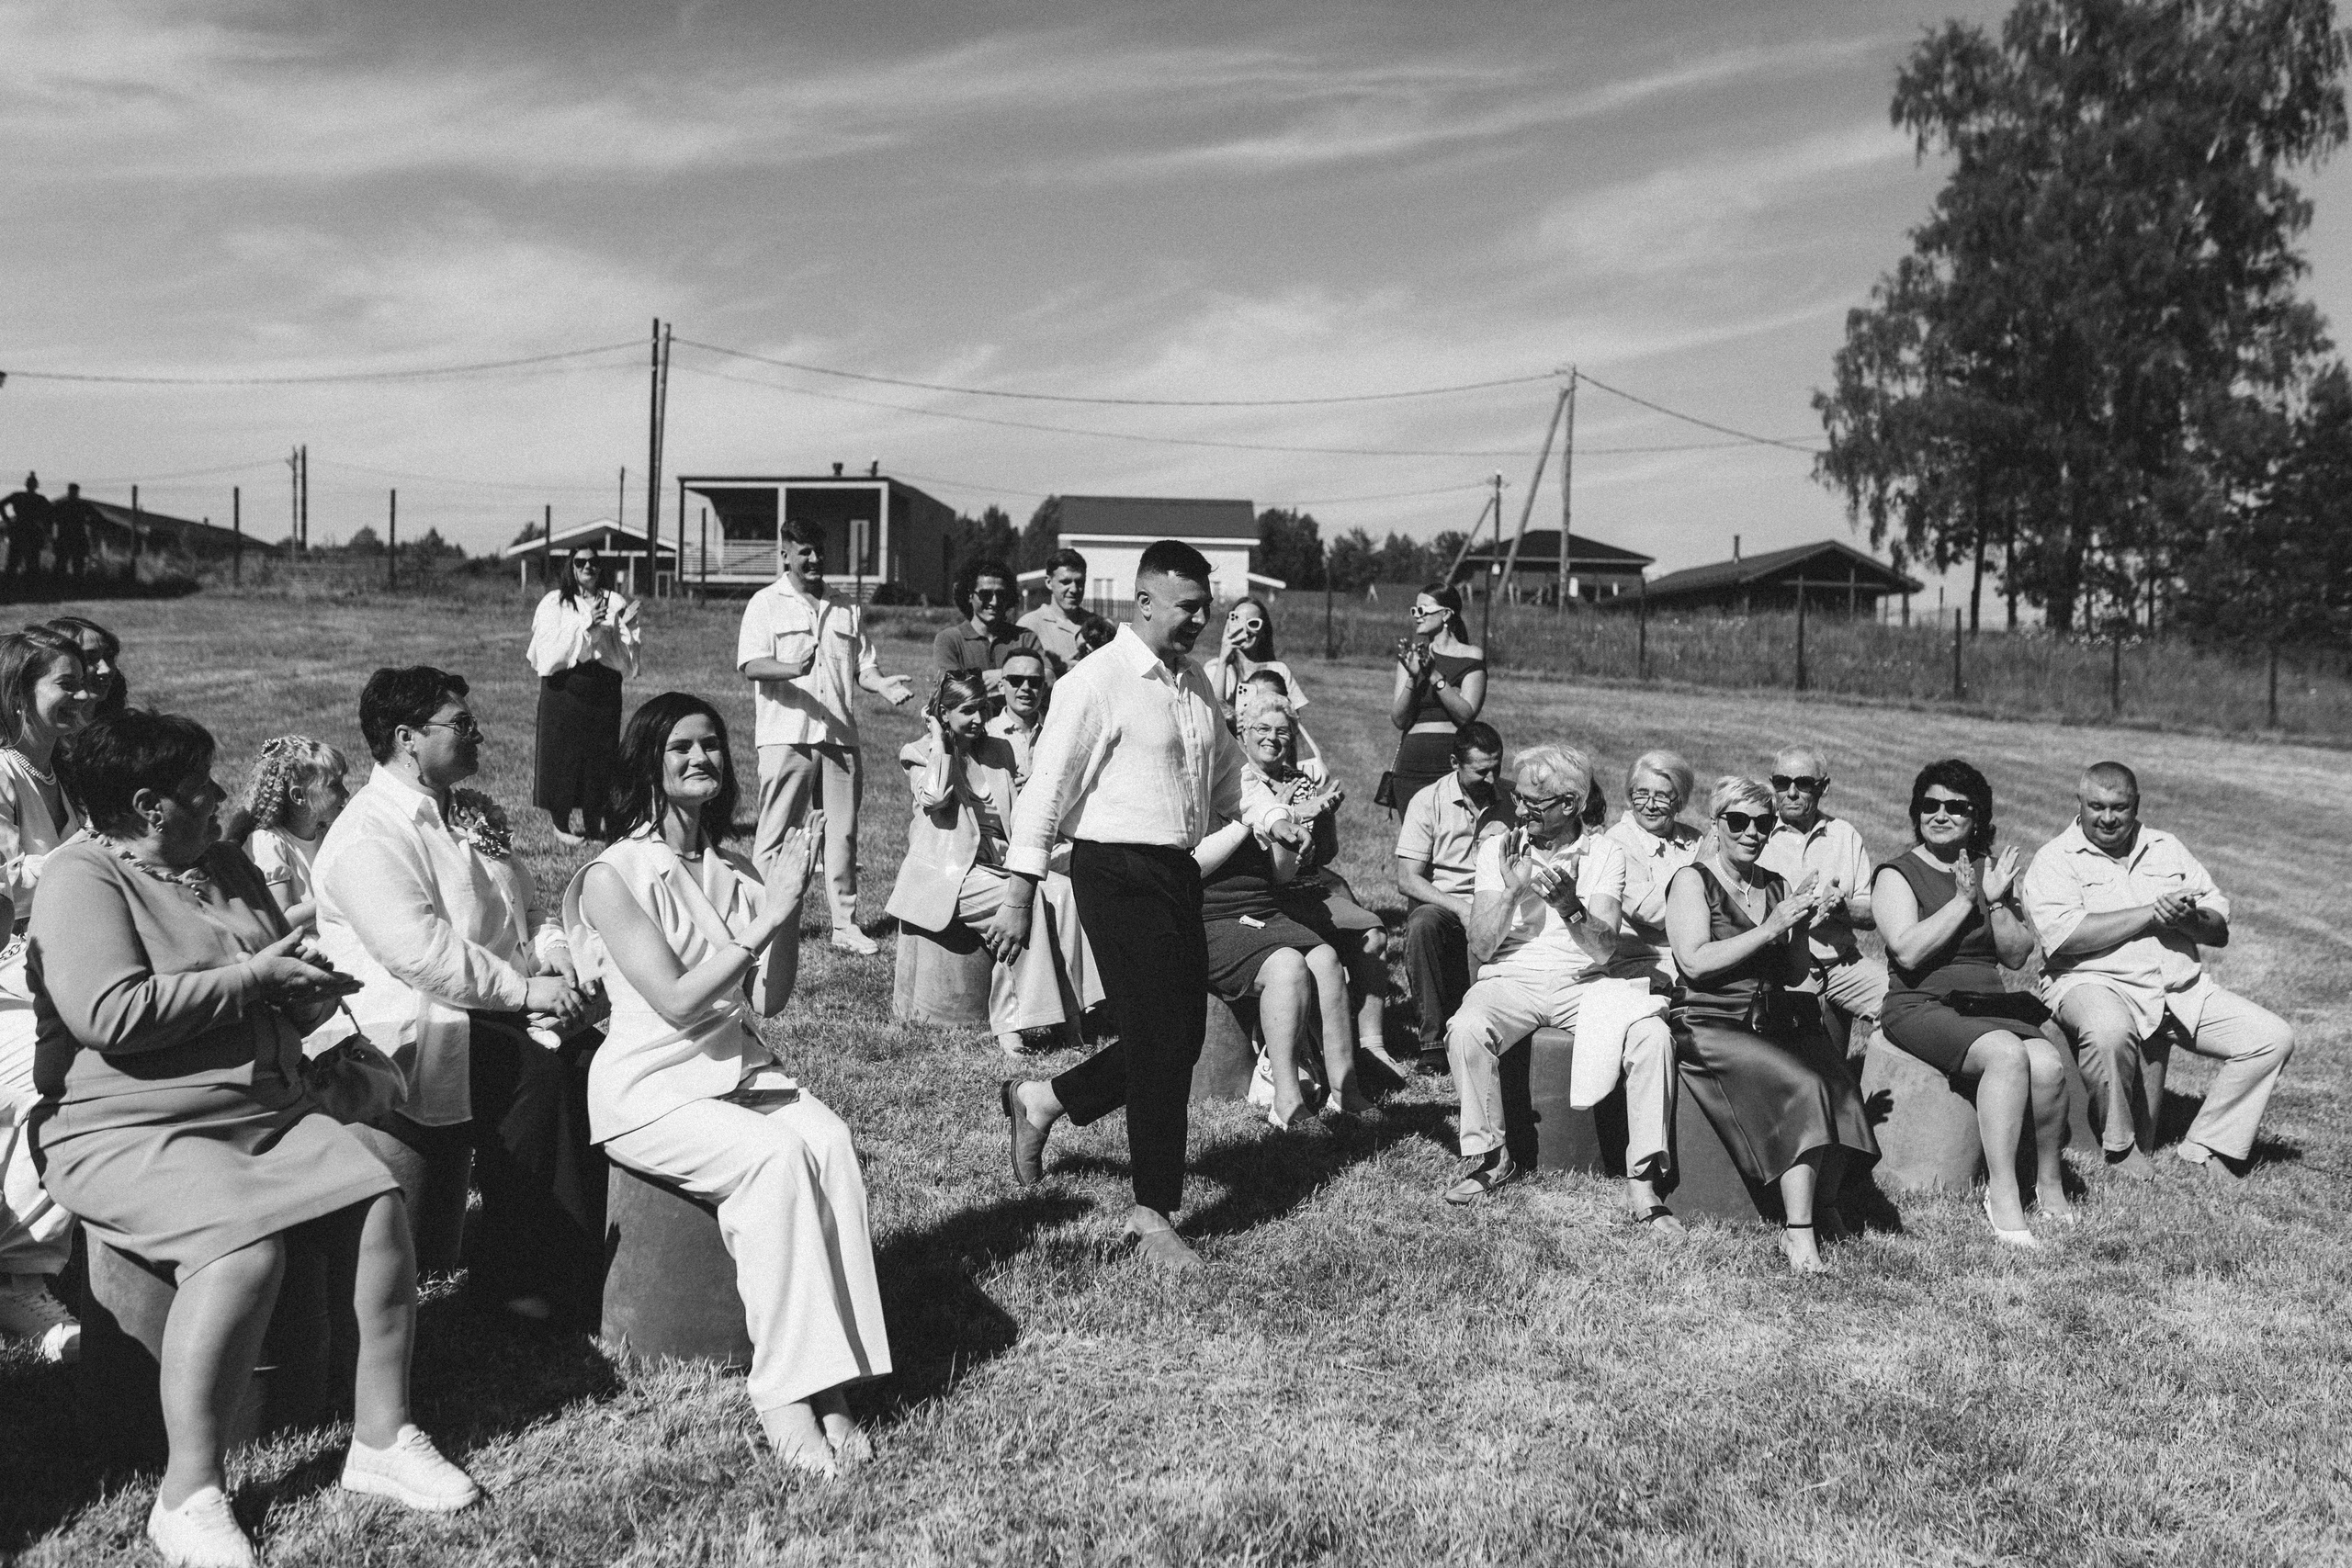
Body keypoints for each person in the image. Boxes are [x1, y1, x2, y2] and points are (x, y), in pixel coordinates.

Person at [32, 710, 479, 1567]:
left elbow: (274, 958)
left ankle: (380, 1439)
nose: (220, 796)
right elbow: (109, 1013)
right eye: (200, 784)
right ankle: (188, 1494)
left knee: (377, 1205)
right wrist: (253, 981)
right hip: (131, 1121)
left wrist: (305, 992)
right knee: (244, 1254)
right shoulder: (80, 878)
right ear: (147, 804)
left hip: (257, 1107)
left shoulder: (223, 861)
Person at [568, 692, 888, 1475]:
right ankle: (784, 1394)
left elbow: (770, 997)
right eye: (681, 747)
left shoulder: (731, 866)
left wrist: (788, 905)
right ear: (649, 761)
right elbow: (676, 998)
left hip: (736, 1070)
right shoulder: (615, 874)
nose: (701, 758)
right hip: (649, 1088)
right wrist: (763, 916)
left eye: (711, 745)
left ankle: (836, 1383)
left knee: (831, 1143)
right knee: (773, 1162)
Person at [991, 540, 1309, 1270]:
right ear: (1143, 603)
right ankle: (1151, 1211)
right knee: (1161, 1037)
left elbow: (1229, 778)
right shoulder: (1095, 681)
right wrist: (1018, 888)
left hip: (1177, 869)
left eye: (1207, 605)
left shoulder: (1195, 682)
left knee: (1175, 1037)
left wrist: (1271, 818)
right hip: (1113, 868)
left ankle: (1041, 1100)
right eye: (1188, 606)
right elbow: (1046, 790)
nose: (1203, 618)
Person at [312, 666, 605, 1320]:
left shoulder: (465, 814)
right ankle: (519, 1284)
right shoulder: (369, 833)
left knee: (595, 1060)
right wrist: (530, 991)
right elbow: (420, 954)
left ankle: (585, 1256)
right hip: (415, 1017)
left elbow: (528, 908)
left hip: (502, 1001)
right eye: (462, 725)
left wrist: (558, 963)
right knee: (534, 1075)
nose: (479, 736)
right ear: (407, 737)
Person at [2024, 761, 2292, 1182]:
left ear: (2136, 805)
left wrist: (2188, 920)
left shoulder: (2167, 847)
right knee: (2108, 1031)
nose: (2109, 818)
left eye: (2120, 807)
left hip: (2179, 988)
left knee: (2272, 1038)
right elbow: (2064, 938)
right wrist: (2151, 914)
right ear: (2079, 804)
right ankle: (2120, 1146)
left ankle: (2207, 1145)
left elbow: (2218, 930)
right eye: (2097, 806)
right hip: (2093, 981)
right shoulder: (2056, 859)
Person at [1442, 745, 1677, 1224]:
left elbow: (1605, 951)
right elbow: (1483, 946)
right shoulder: (1498, 849)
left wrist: (1571, 907)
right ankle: (1491, 1156)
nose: (1519, 808)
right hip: (1512, 977)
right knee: (1465, 1026)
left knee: (1652, 1036)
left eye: (1533, 801)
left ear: (1570, 805)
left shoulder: (1604, 853)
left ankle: (1644, 1179)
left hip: (1584, 981)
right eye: (1519, 796)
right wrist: (1511, 889)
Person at [1664, 777, 1880, 1274]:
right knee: (1804, 1087)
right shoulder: (1692, 881)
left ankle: (1825, 1207)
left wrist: (1801, 926)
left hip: (1768, 1018)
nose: (1752, 832)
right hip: (1708, 1021)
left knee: (1840, 1084)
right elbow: (1694, 963)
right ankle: (1797, 1233)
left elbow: (1794, 973)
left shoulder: (1776, 885)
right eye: (1738, 822)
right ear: (1716, 825)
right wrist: (1770, 927)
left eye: (1763, 824)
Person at [1873, 759, 2075, 1246]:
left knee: (2046, 1064)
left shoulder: (1990, 872)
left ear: (1977, 818)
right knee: (2006, 1054)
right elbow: (1907, 949)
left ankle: (2047, 1181)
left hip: (1985, 1005)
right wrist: (1965, 901)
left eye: (1956, 807)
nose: (1940, 815)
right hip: (1921, 1003)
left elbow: (2017, 953)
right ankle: (2002, 1193)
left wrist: (1999, 900)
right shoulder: (1897, 874)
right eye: (1930, 805)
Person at [736, 521, 915, 956]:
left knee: (843, 835)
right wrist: (792, 670)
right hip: (787, 735)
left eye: (820, 552)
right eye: (805, 553)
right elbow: (750, 664)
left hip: (839, 736)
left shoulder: (847, 607)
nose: (814, 561)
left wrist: (882, 684)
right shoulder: (765, 603)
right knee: (776, 835)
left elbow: (862, 666)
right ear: (785, 556)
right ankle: (762, 923)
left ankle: (845, 925)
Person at [888, 671, 1086, 1056]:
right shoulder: (918, 752)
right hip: (950, 874)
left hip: (1000, 863)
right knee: (1023, 902)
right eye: (967, 711)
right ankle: (1011, 1026)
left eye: (982, 708)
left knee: (1064, 894)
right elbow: (934, 798)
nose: (978, 719)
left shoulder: (999, 751)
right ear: (942, 714)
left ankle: (1075, 1017)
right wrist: (940, 744)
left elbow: (1022, 806)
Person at [1200, 697, 1375, 1124]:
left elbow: (1279, 877)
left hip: (1261, 906)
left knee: (1328, 960)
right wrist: (1275, 815)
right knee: (1288, 967)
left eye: (1281, 732)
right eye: (1260, 729)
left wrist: (1293, 834)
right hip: (1212, 913)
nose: (1271, 739)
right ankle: (1287, 1099)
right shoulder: (1211, 784)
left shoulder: (1281, 788)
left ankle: (1344, 1090)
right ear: (1237, 736)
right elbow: (1195, 865)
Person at [0, 628, 92, 1362]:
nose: (84, 693)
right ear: (19, 692)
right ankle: (17, 1270)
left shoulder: (64, 777)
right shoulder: (3, 774)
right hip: (8, 974)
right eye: (67, 681)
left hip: (61, 959)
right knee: (54, 1079)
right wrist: (92, 854)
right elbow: (6, 883)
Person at [1394, 723, 1510, 1070]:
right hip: (1447, 904)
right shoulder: (1428, 801)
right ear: (1454, 763)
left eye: (1497, 769)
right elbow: (1408, 879)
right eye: (1481, 772)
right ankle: (1432, 1044)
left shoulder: (1513, 800)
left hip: (1500, 902)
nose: (1491, 780)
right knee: (1422, 924)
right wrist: (1461, 907)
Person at [1758, 748, 1885, 1059]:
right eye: (1781, 782)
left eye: (1802, 783)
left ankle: (1872, 1095)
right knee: (1803, 1060)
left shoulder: (1845, 835)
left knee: (1905, 1005)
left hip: (1842, 964)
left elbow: (1871, 915)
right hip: (1781, 971)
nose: (1791, 792)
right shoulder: (1755, 833)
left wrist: (1842, 908)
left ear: (1823, 787)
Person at [527, 550, 641, 846]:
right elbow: (549, 648)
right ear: (571, 567)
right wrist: (586, 626)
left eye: (593, 562)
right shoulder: (555, 602)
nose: (588, 566)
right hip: (565, 685)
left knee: (600, 756)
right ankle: (561, 825)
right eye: (580, 562)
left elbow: (625, 655)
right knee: (562, 754)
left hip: (603, 685)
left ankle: (594, 824)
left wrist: (625, 627)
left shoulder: (615, 601)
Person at [1381, 582, 1486, 813]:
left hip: (1449, 761)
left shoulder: (1471, 655)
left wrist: (1433, 675)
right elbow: (1399, 719)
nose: (1417, 616)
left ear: (1446, 613)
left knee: (1450, 842)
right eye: (1414, 610)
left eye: (1423, 610)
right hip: (1412, 763)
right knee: (1413, 844)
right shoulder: (1412, 657)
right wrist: (1412, 677)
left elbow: (1465, 715)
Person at [1603, 750, 1703, 985]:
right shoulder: (1617, 842)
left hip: (1695, 958)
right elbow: (1651, 911)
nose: (1650, 805)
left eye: (1661, 796)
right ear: (1630, 796)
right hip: (1644, 963)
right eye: (1641, 794)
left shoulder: (1694, 839)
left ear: (1679, 801)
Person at [241, 735, 352, 931]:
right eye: (334, 785)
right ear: (299, 796)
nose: (346, 793)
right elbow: (283, 920)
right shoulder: (269, 842)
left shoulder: (327, 832)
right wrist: (342, 895)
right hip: (305, 945)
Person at [933, 558, 1044, 686]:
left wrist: (1003, 675)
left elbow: (1049, 678)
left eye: (1001, 594)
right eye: (985, 594)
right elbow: (951, 689)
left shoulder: (1025, 638)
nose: (994, 602)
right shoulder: (949, 640)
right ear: (970, 595)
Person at [1204, 598, 1307, 719]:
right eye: (1239, 622)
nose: (1246, 631)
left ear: (1263, 630)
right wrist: (1223, 660)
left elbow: (1294, 719)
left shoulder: (1278, 669)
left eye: (1253, 624)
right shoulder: (1215, 668)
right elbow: (1211, 713)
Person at [1018, 547, 1111, 671]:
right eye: (1066, 582)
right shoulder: (1029, 625)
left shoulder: (1098, 625)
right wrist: (1058, 669)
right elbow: (1015, 673)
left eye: (1079, 582)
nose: (1074, 589)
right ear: (1049, 582)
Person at [46, 615, 127, 716]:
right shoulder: (30, 729)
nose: (106, 669)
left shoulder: (126, 728)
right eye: (89, 659)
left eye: (109, 657)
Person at [2, 473, 50, 580]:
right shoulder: (21, 496)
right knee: (16, 560)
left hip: (29, 530)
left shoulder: (37, 498)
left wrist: (7, 520)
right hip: (23, 528)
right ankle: (14, 585)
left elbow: (50, 513)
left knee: (30, 560)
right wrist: (7, 520)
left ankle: (27, 585)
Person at [48, 483, 96, 581]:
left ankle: (70, 586)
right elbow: (49, 518)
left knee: (73, 565)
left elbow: (96, 517)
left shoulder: (65, 505)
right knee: (66, 564)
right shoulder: (76, 505)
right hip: (70, 537)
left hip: (71, 537)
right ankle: (70, 586)